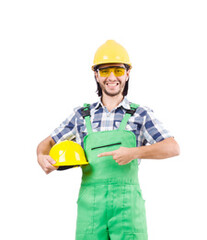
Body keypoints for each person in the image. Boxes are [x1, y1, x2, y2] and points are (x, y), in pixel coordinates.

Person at [35, 40, 180, 240]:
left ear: (127, 73)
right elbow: (48, 143)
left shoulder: (140, 114)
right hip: (91, 208)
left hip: (127, 208)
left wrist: (134, 152)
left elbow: (172, 147)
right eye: (105, 71)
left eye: (118, 71)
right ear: (96, 75)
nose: (112, 77)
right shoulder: (81, 115)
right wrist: (41, 156)